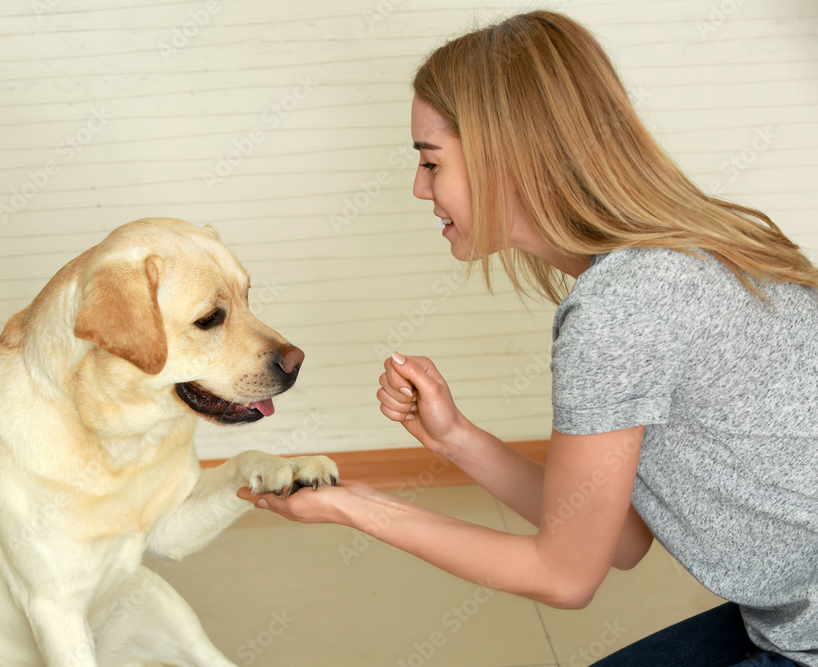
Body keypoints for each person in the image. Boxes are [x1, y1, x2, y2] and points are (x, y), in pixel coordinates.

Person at [236, 10, 818, 666]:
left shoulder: (620, 311)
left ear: (505, 157)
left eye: (431, 162)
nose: (418, 187)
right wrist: (455, 436)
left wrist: (360, 510)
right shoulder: (671, 262)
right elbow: (618, 538)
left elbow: (564, 576)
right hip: (788, 618)